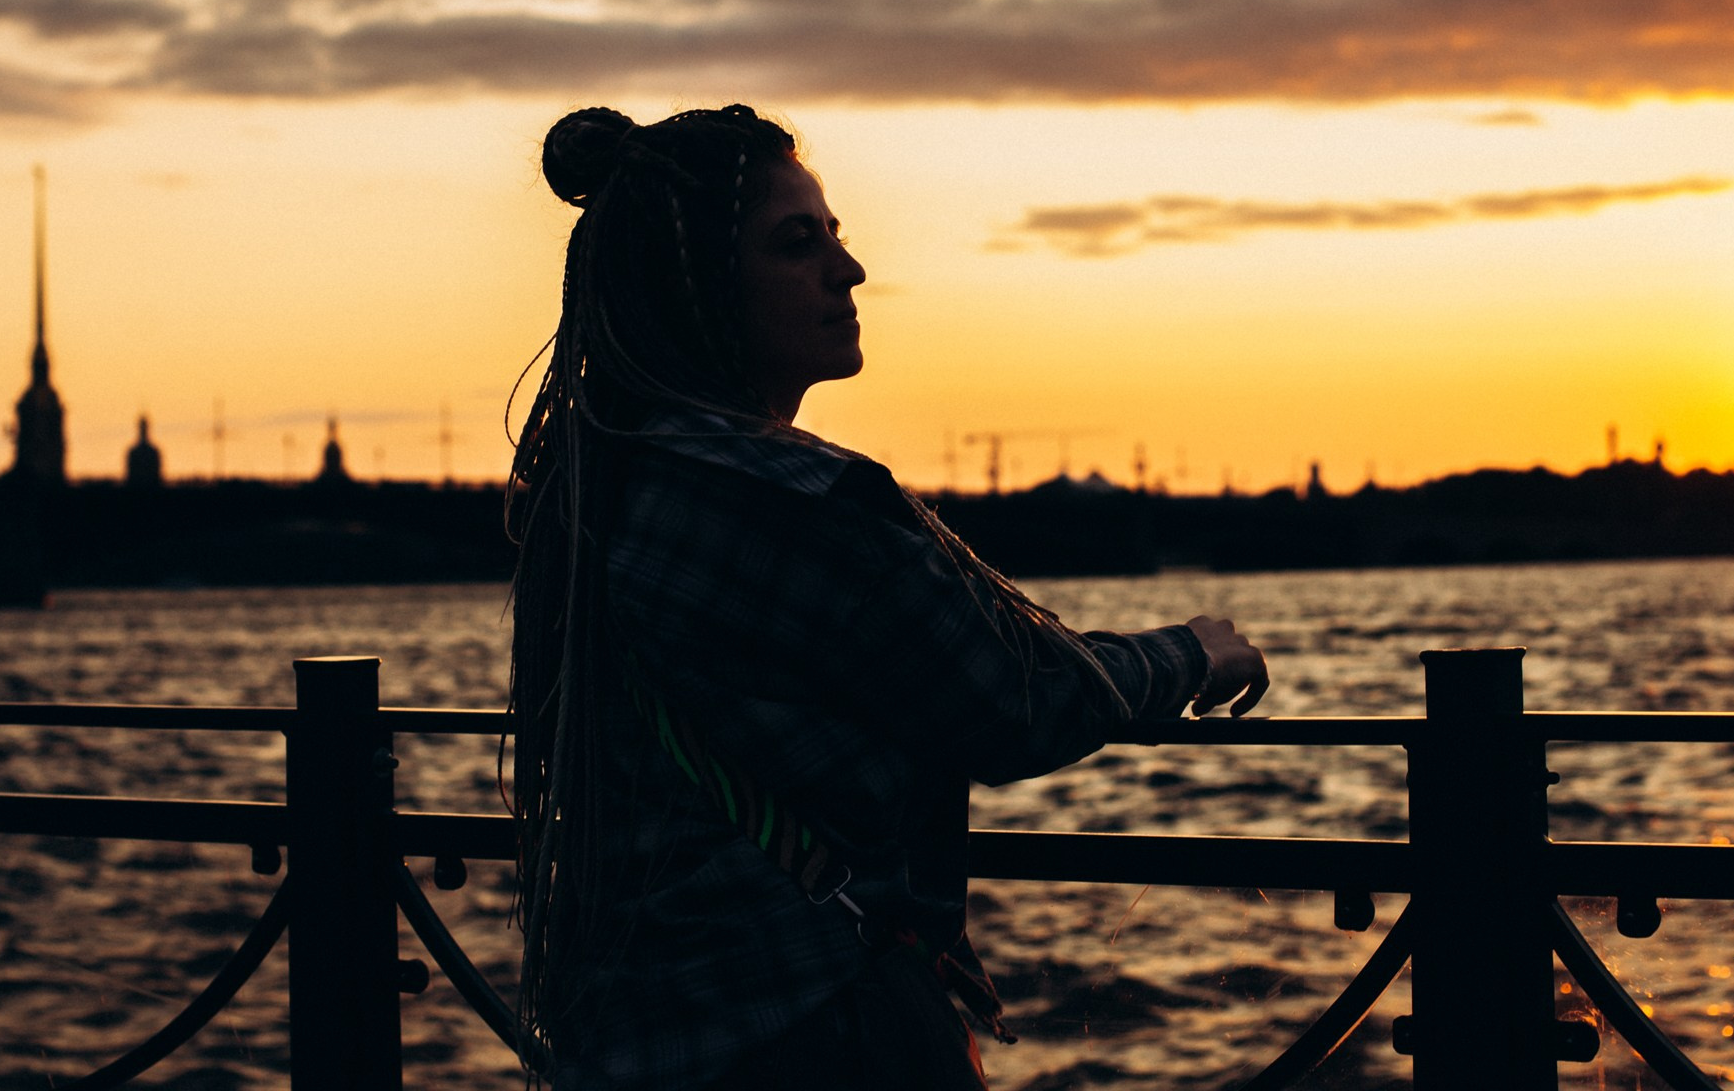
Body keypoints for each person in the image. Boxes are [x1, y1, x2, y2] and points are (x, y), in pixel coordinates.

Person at [506, 104, 1270, 1091]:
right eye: (797, 244)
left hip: (636, 1027)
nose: (850, 270)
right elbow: (1016, 702)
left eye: (836, 235)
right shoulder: (799, 503)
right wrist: (1192, 653)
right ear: (696, 284)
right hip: (812, 1024)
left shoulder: (600, 484)